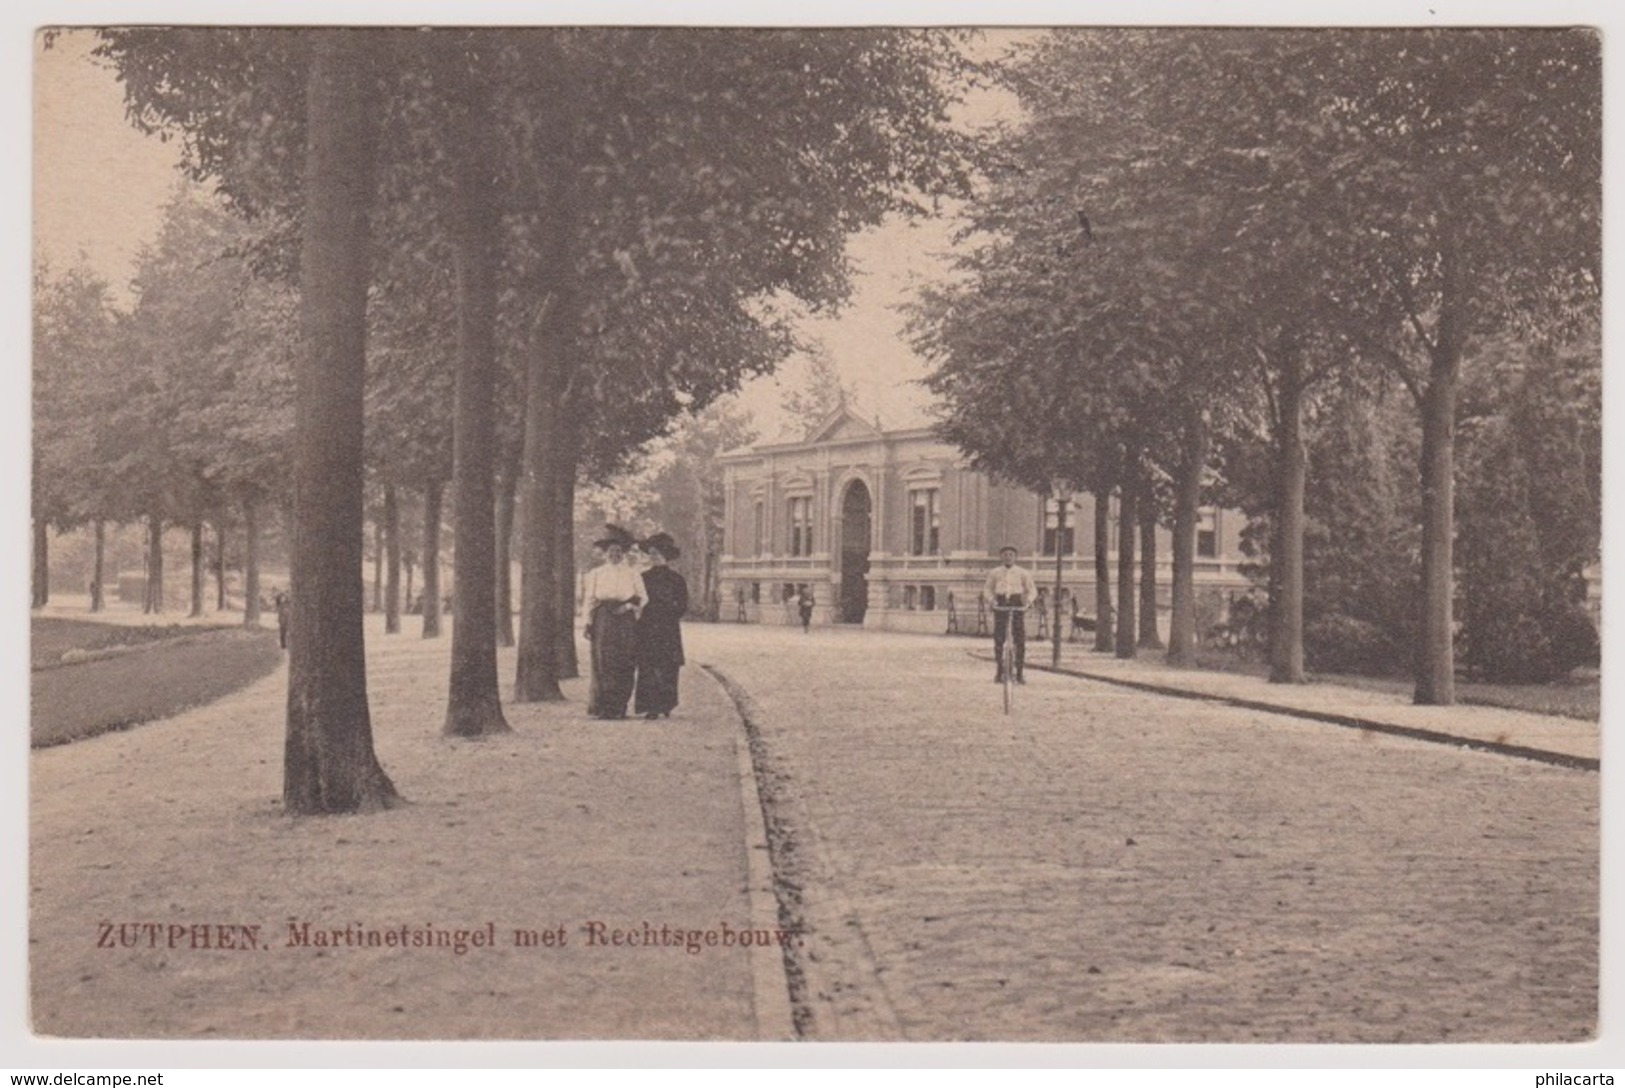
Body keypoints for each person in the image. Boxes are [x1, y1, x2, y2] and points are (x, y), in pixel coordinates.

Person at [582, 525, 645, 719]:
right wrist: (588, 623)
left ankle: (619, 707)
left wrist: (627, 607)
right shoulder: (596, 574)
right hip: (604, 619)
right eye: (611, 551)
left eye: (618, 551)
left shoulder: (632, 573)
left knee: (624, 660)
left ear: (623, 553)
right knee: (604, 661)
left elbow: (642, 597)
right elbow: (590, 600)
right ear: (605, 553)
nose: (615, 554)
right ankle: (604, 707)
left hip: (625, 619)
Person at [633, 532, 689, 720]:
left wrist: (669, 615)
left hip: (667, 628)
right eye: (651, 554)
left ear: (666, 555)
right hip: (647, 627)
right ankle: (650, 706)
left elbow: (682, 604)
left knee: (668, 666)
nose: (654, 557)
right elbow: (636, 599)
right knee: (648, 665)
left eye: (657, 553)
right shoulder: (642, 577)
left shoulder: (676, 579)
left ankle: (666, 704)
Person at [984, 545, 1038, 683]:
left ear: (1015, 557)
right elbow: (987, 590)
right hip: (1001, 605)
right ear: (1001, 557)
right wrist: (992, 601)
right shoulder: (995, 573)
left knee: (1020, 639)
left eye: (1011, 555)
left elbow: (1032, 590)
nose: (1008, 557)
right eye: (1005, 554)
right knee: (999, 639)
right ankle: (999, 671)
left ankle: (1019, 673)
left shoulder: (1022, 573)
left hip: (1016, 604)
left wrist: (1027, 603)